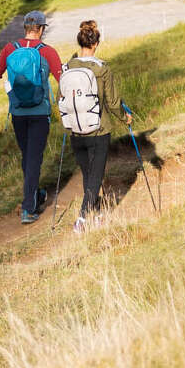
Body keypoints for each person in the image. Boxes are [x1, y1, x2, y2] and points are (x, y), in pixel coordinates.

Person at [0, 10, 61, 224]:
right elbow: (61, 78)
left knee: (28, 157)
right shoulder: (47, 52)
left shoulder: (10, 49)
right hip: (39, 112)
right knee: (33, 159)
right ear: (41, 29)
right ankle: (28, 208)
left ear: (25, 28)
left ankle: (35, 195)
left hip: (18, 113)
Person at [59, 20, 131, 233]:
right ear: (96, 43)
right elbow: (113, 102)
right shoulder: (103, 68)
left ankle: (98, 214)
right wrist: (125, 117)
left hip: (75, 131)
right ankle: (82, 219)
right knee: (95, 176)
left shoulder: (67, 67)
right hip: (99, 130)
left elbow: (59, 98)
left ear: (79, 42)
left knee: (89, 175)